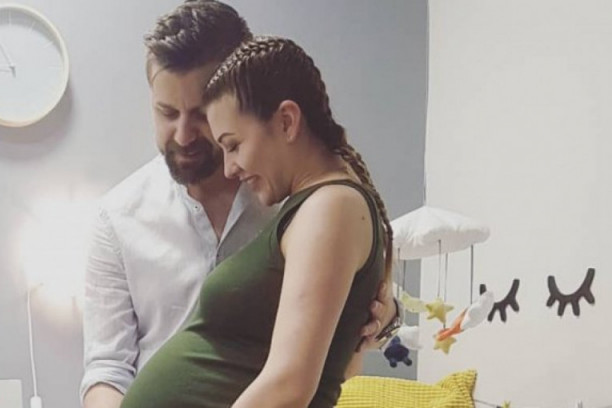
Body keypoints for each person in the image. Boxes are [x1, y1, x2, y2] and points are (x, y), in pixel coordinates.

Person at [80, 2, 397, 408]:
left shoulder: (293, 197)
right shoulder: (117, 216)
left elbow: (306, 372)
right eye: (167, 112)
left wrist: (383, 317)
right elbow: (106, 367)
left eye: (202, 116)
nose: (183, 134)